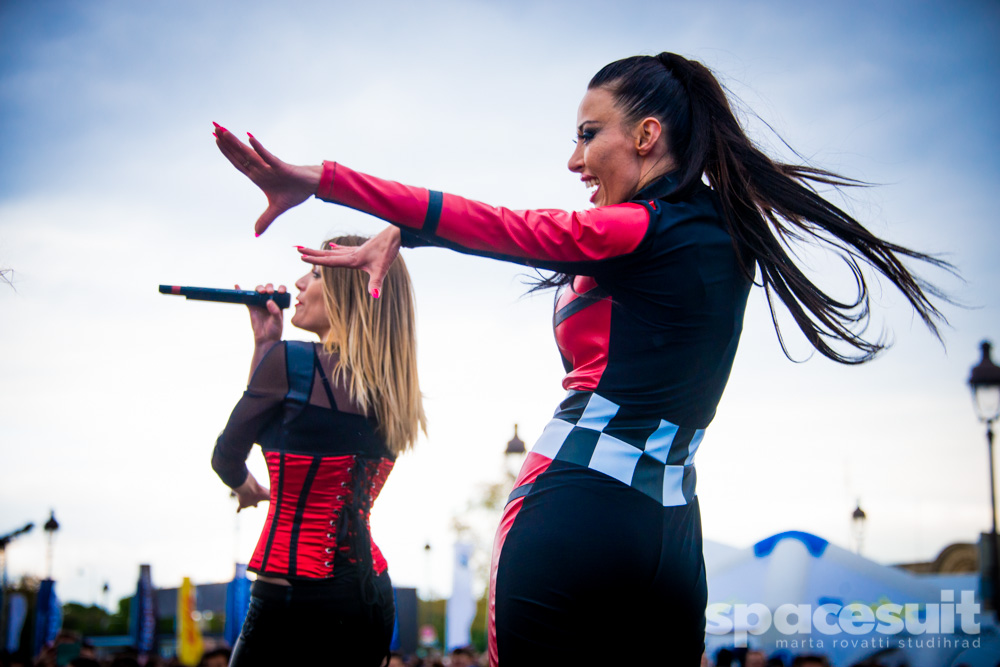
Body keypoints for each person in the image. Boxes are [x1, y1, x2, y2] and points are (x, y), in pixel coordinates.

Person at [212, 52, 951, 666]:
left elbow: (505, 225)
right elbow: (514, 234)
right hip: (671, 525)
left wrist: (324, 180)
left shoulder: (636, 230)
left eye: (588, 134)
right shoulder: (726, 235)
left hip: (574, 511)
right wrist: (408, 234)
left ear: (647, 134)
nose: (574, 159)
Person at [210, 236, 425, 666]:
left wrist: (246, 487)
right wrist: (266, 349)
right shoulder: (394, 388)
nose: (299, 283)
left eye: (315, 274)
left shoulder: (289, 363)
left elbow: (228, 453)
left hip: (290, 597)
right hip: (369, 599)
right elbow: (293, 430)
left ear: (346, 295)